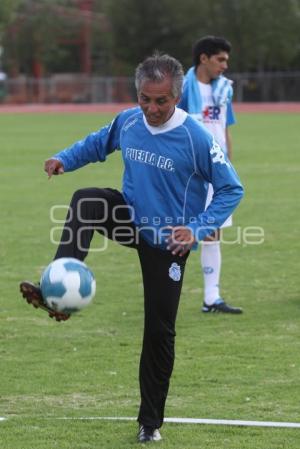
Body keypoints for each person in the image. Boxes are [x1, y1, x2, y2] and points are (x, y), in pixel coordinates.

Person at [20, 53, 243, 443]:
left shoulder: (196, 138)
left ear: (177, 96)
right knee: (88, 200)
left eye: (161, 101)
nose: (152, 108)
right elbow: (97, 143)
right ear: (137, 94)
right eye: (145, 99)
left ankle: (149, 423)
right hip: (130, 218)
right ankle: (58, 291)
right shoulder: (128, 120)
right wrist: (64, 159)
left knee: (159, 332)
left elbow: (231, 188)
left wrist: (195, 228)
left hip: (167, 241)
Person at [178, 35, 242, 314]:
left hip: (216, 172)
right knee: (174, 233)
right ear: (204, 58)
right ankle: (164, 292)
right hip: (188, 174)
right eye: (221, 59)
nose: (225, 65)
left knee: (212, 231)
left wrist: (229, 167)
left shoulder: (224, 90)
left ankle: (211, 298)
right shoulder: (180, 89)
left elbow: (225, 129)